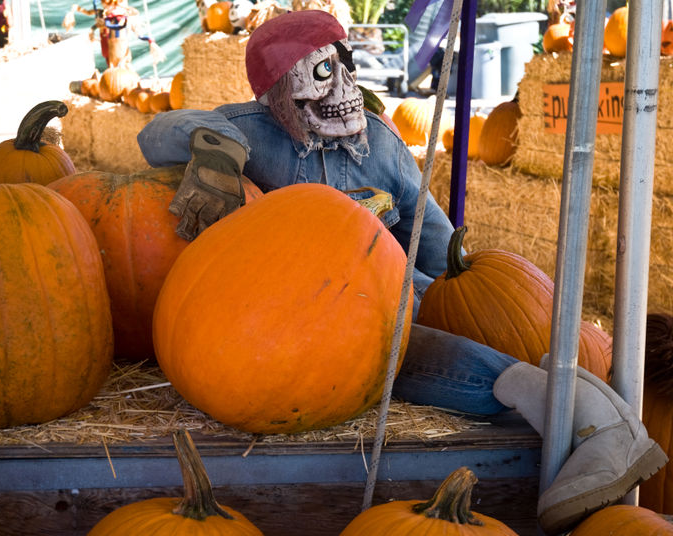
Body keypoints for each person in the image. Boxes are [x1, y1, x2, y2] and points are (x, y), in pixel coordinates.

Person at [136, 10, 666, 534]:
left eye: (346, 66)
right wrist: (213, 151)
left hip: (369, 304)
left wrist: (462, 301)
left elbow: (430, 239)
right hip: (278, 315)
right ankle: (572, 405)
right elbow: (156, 132)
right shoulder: (250, 131)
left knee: (407, 338)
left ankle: (586, 416)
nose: (344, 87)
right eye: (321, 73)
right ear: (277, 92)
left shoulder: (384, 146)